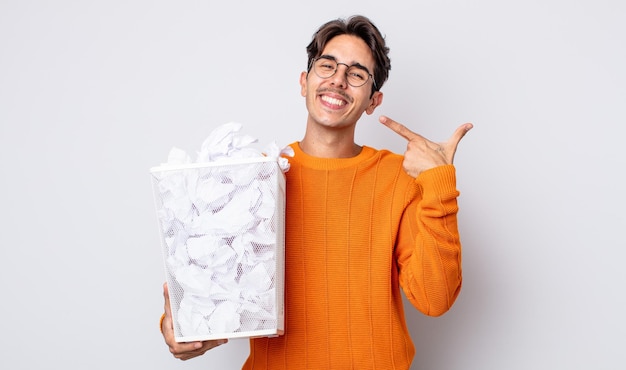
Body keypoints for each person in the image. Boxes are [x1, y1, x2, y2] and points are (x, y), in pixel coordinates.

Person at [160, 14, 472, 369]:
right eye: (327, 66)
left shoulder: (398, 178)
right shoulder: (254, 177)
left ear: (373, 100)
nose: (338, 80)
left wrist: (438, 183)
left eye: (356, 74)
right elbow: (206, 281)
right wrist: (180, 327)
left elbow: (436, 299)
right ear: (305, 82)